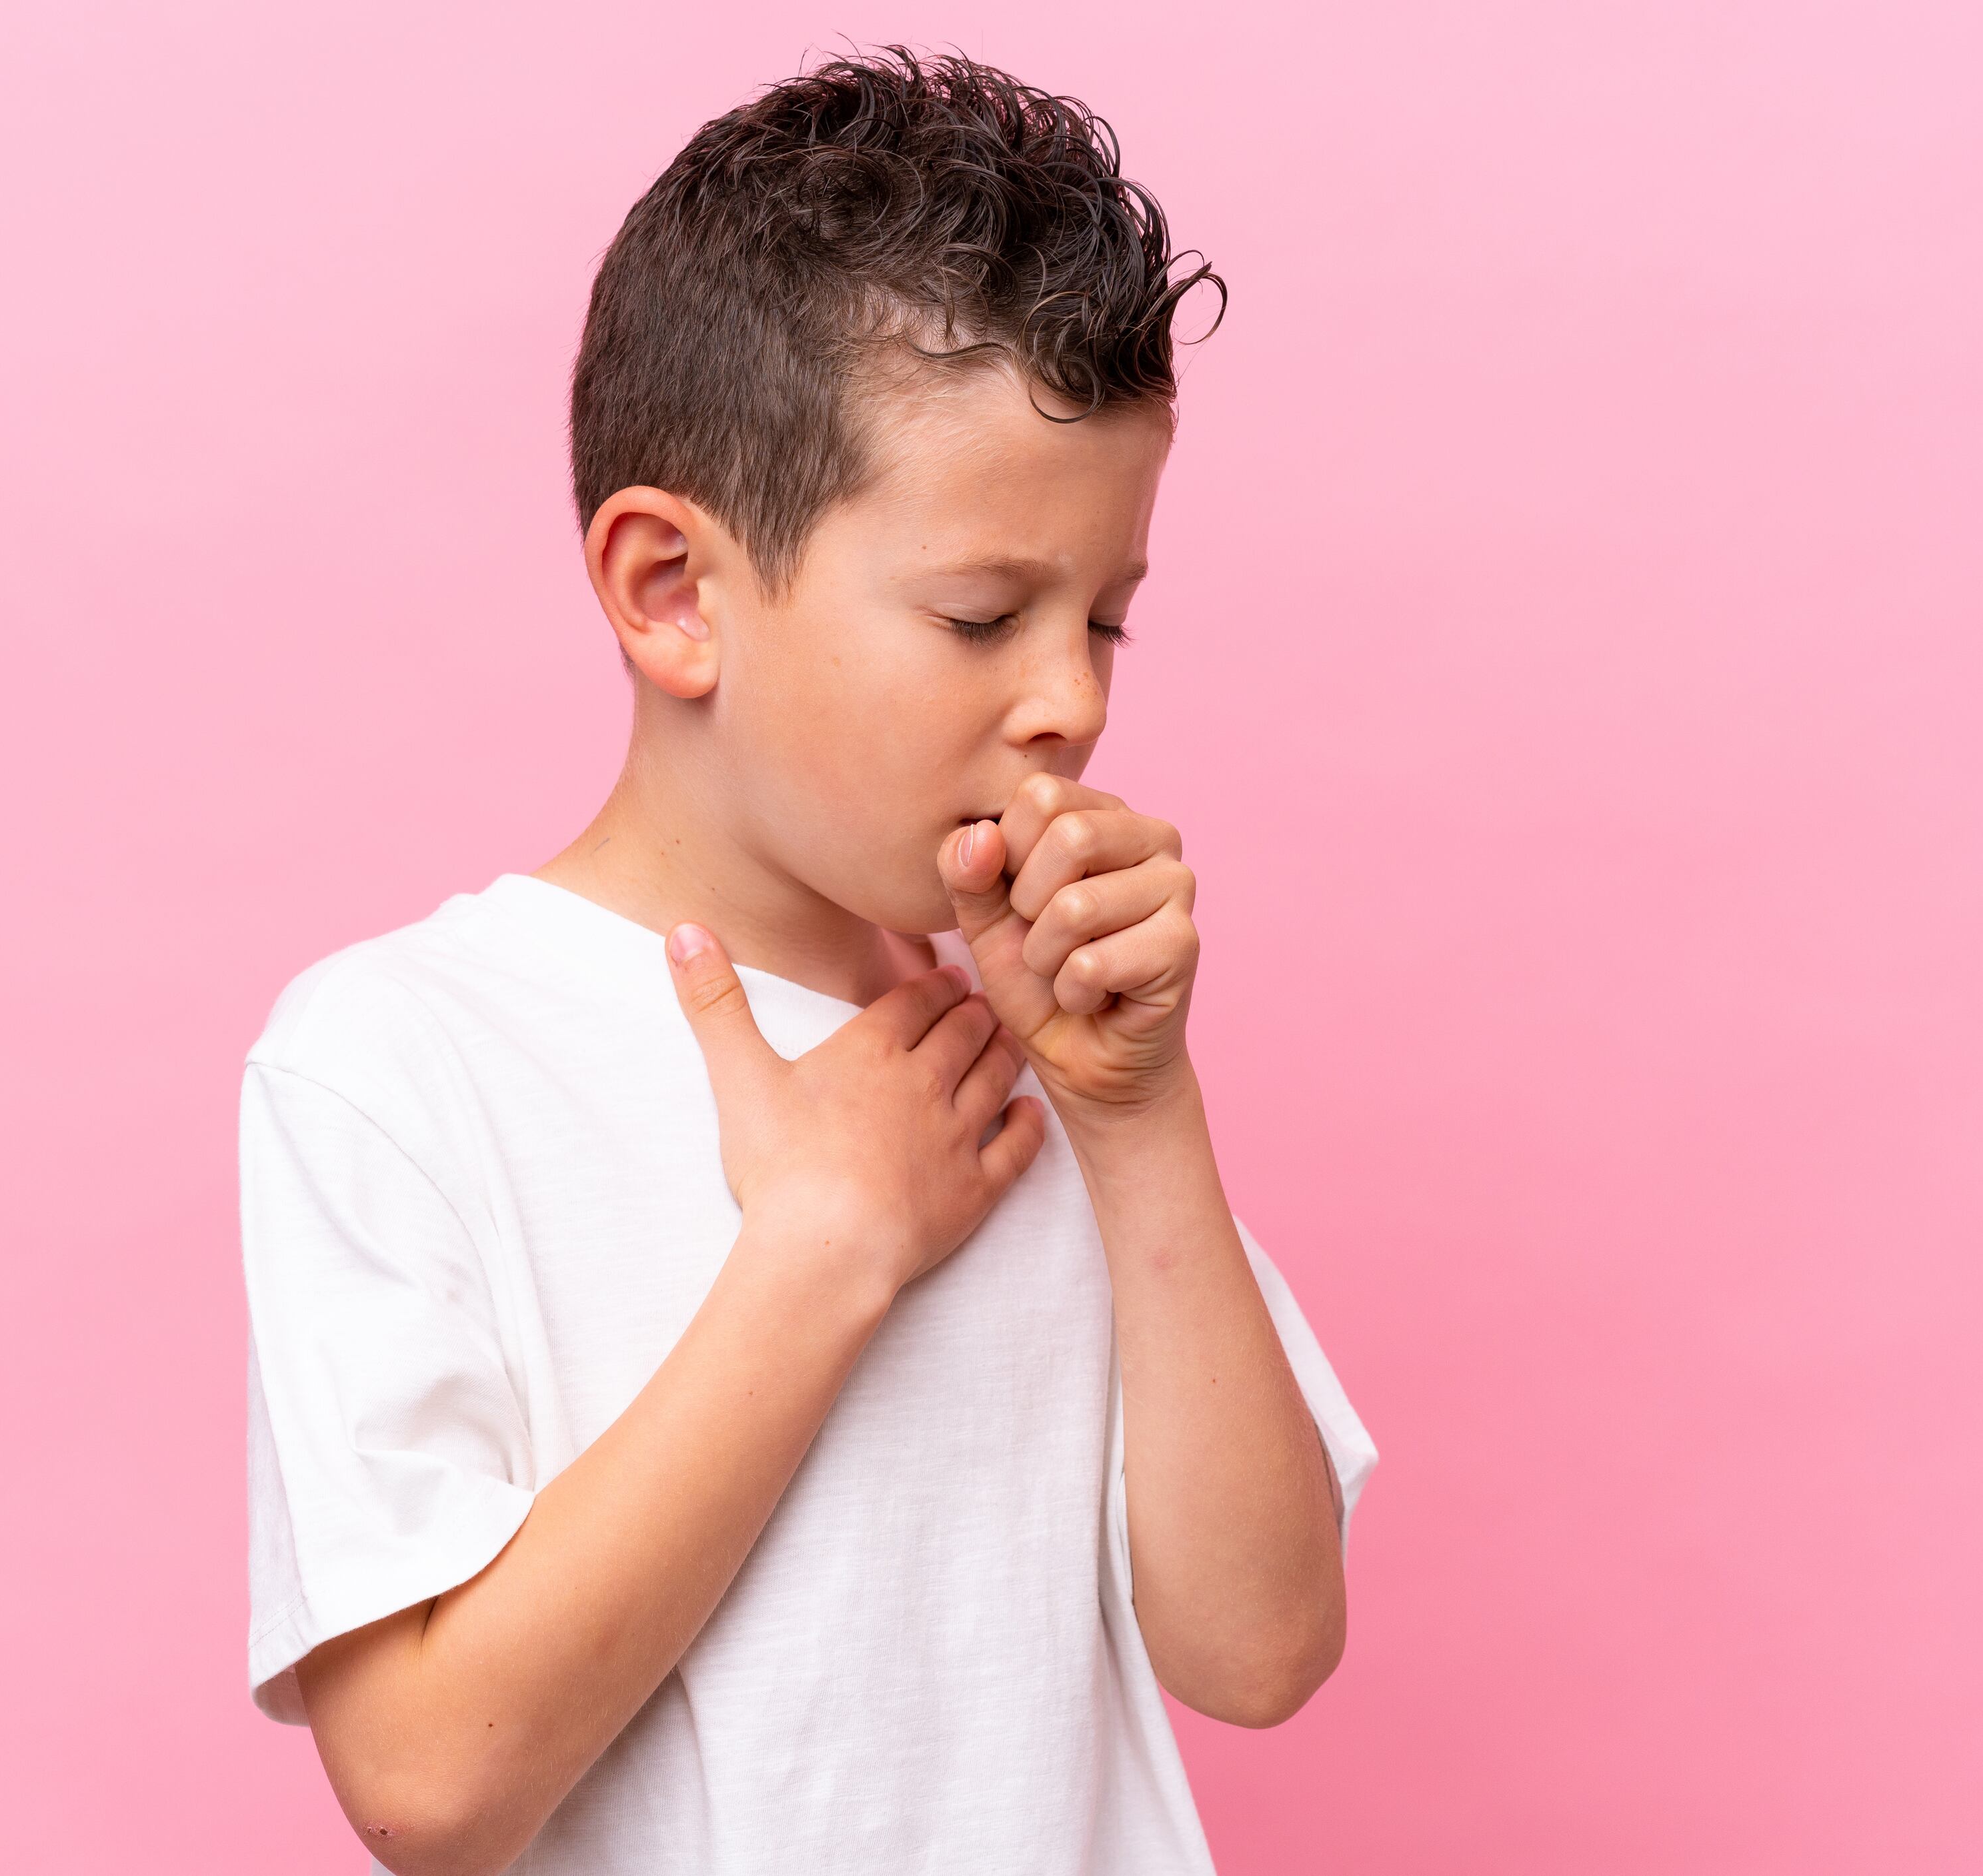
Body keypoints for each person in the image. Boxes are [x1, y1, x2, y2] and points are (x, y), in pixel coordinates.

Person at [239, 45, 1376, 1876]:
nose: (1071, 701)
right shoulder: (399, 1060)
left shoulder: (1039, 1052)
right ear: (674, 593)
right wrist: (825, 1250)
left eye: (1106, 620)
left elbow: (1258, 1651)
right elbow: (432, 1788)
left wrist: (1140, 1109)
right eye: (983, 615)